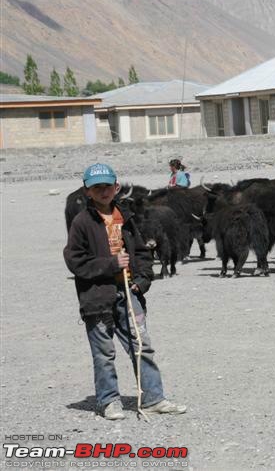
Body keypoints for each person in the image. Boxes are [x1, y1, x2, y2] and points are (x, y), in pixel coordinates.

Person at [63, 163, 187, 420]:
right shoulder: (81, 222)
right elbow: (75, 261)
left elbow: (141, 253)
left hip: (129, 294)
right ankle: (108, 401)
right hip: (97, 297)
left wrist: (142, 280)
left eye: (107, 186)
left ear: (116, 187)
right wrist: (111, 264)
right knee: (104, 352)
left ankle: (153, 398)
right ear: (87, 191)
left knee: (142, 346)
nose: (103, 191)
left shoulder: (126, 217)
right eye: (97, 187)